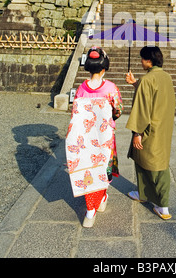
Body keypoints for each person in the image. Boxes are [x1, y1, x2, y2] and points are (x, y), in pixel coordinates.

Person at [66, 46, 123, 228]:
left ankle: (96, 202)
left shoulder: (81, 89)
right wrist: (110, 117)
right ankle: (92, 209)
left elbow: (76, 112)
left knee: (88, 168)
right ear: (104, 68)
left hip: (84, 136)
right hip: (104, 134)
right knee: (103, 166)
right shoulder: (111, 88)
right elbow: (118, 110)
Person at [125, 46, 176, 220]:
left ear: (148, 60)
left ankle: (163, 206)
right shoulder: (166, 77)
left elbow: (142, 108)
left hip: (148, 128)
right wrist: (135, 84)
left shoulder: (147, 79)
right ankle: (143, 194)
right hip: (163, 126)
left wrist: (137, 132)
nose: (141, 62)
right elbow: (155, 95)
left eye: (142, 59)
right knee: (145, 160)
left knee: (156, 167)